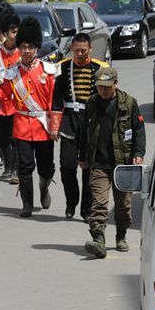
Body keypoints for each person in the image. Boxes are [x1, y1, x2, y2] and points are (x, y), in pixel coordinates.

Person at [79, 67, 145, 257]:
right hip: (99, 163)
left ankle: (121, 234)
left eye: (107, 87)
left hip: (123, 164)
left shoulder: (129, 103)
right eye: (100, 87)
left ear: (115, 83)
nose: (103, 91)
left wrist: (139, 153)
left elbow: (139, 130)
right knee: (98, 203)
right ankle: (98, 239)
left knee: (123, 205)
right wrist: (82, 156)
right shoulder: (91, 103)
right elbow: (84, 131)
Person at [0, 16, 57, 217]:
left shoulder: (48, 71)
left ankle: (44, 186)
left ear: (37, 47)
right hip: (22, 125)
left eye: (31, 47)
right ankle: (27, 204)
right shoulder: (12, 73)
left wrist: (55, 126)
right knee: (25, 167)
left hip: (43, 126)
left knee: (46, 167)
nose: (27, 51)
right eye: (23, 47)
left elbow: (55, 103)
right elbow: (3, 93)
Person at [50, 32, 108, 220]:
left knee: (89, 168)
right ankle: (71, 201)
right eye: (77, 50)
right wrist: (54, 126)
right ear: (71, 50)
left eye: (84, 50)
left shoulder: (100, 68)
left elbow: (107, 97)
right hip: (69, 120)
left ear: (90, 49)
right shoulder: (63, 67)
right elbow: (57, 100)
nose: (80, 54)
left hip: (91, 121)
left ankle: (86, 209)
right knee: (67, 166)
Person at [0, 6, 21, 183]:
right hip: (1, 100)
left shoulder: (23, 53)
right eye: (12, 32)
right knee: (3, 138)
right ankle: (8, 166)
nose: (15, 35)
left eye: (17, 31)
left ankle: (15, 169)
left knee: (16, 137)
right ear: (6, 33)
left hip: (19, 100)